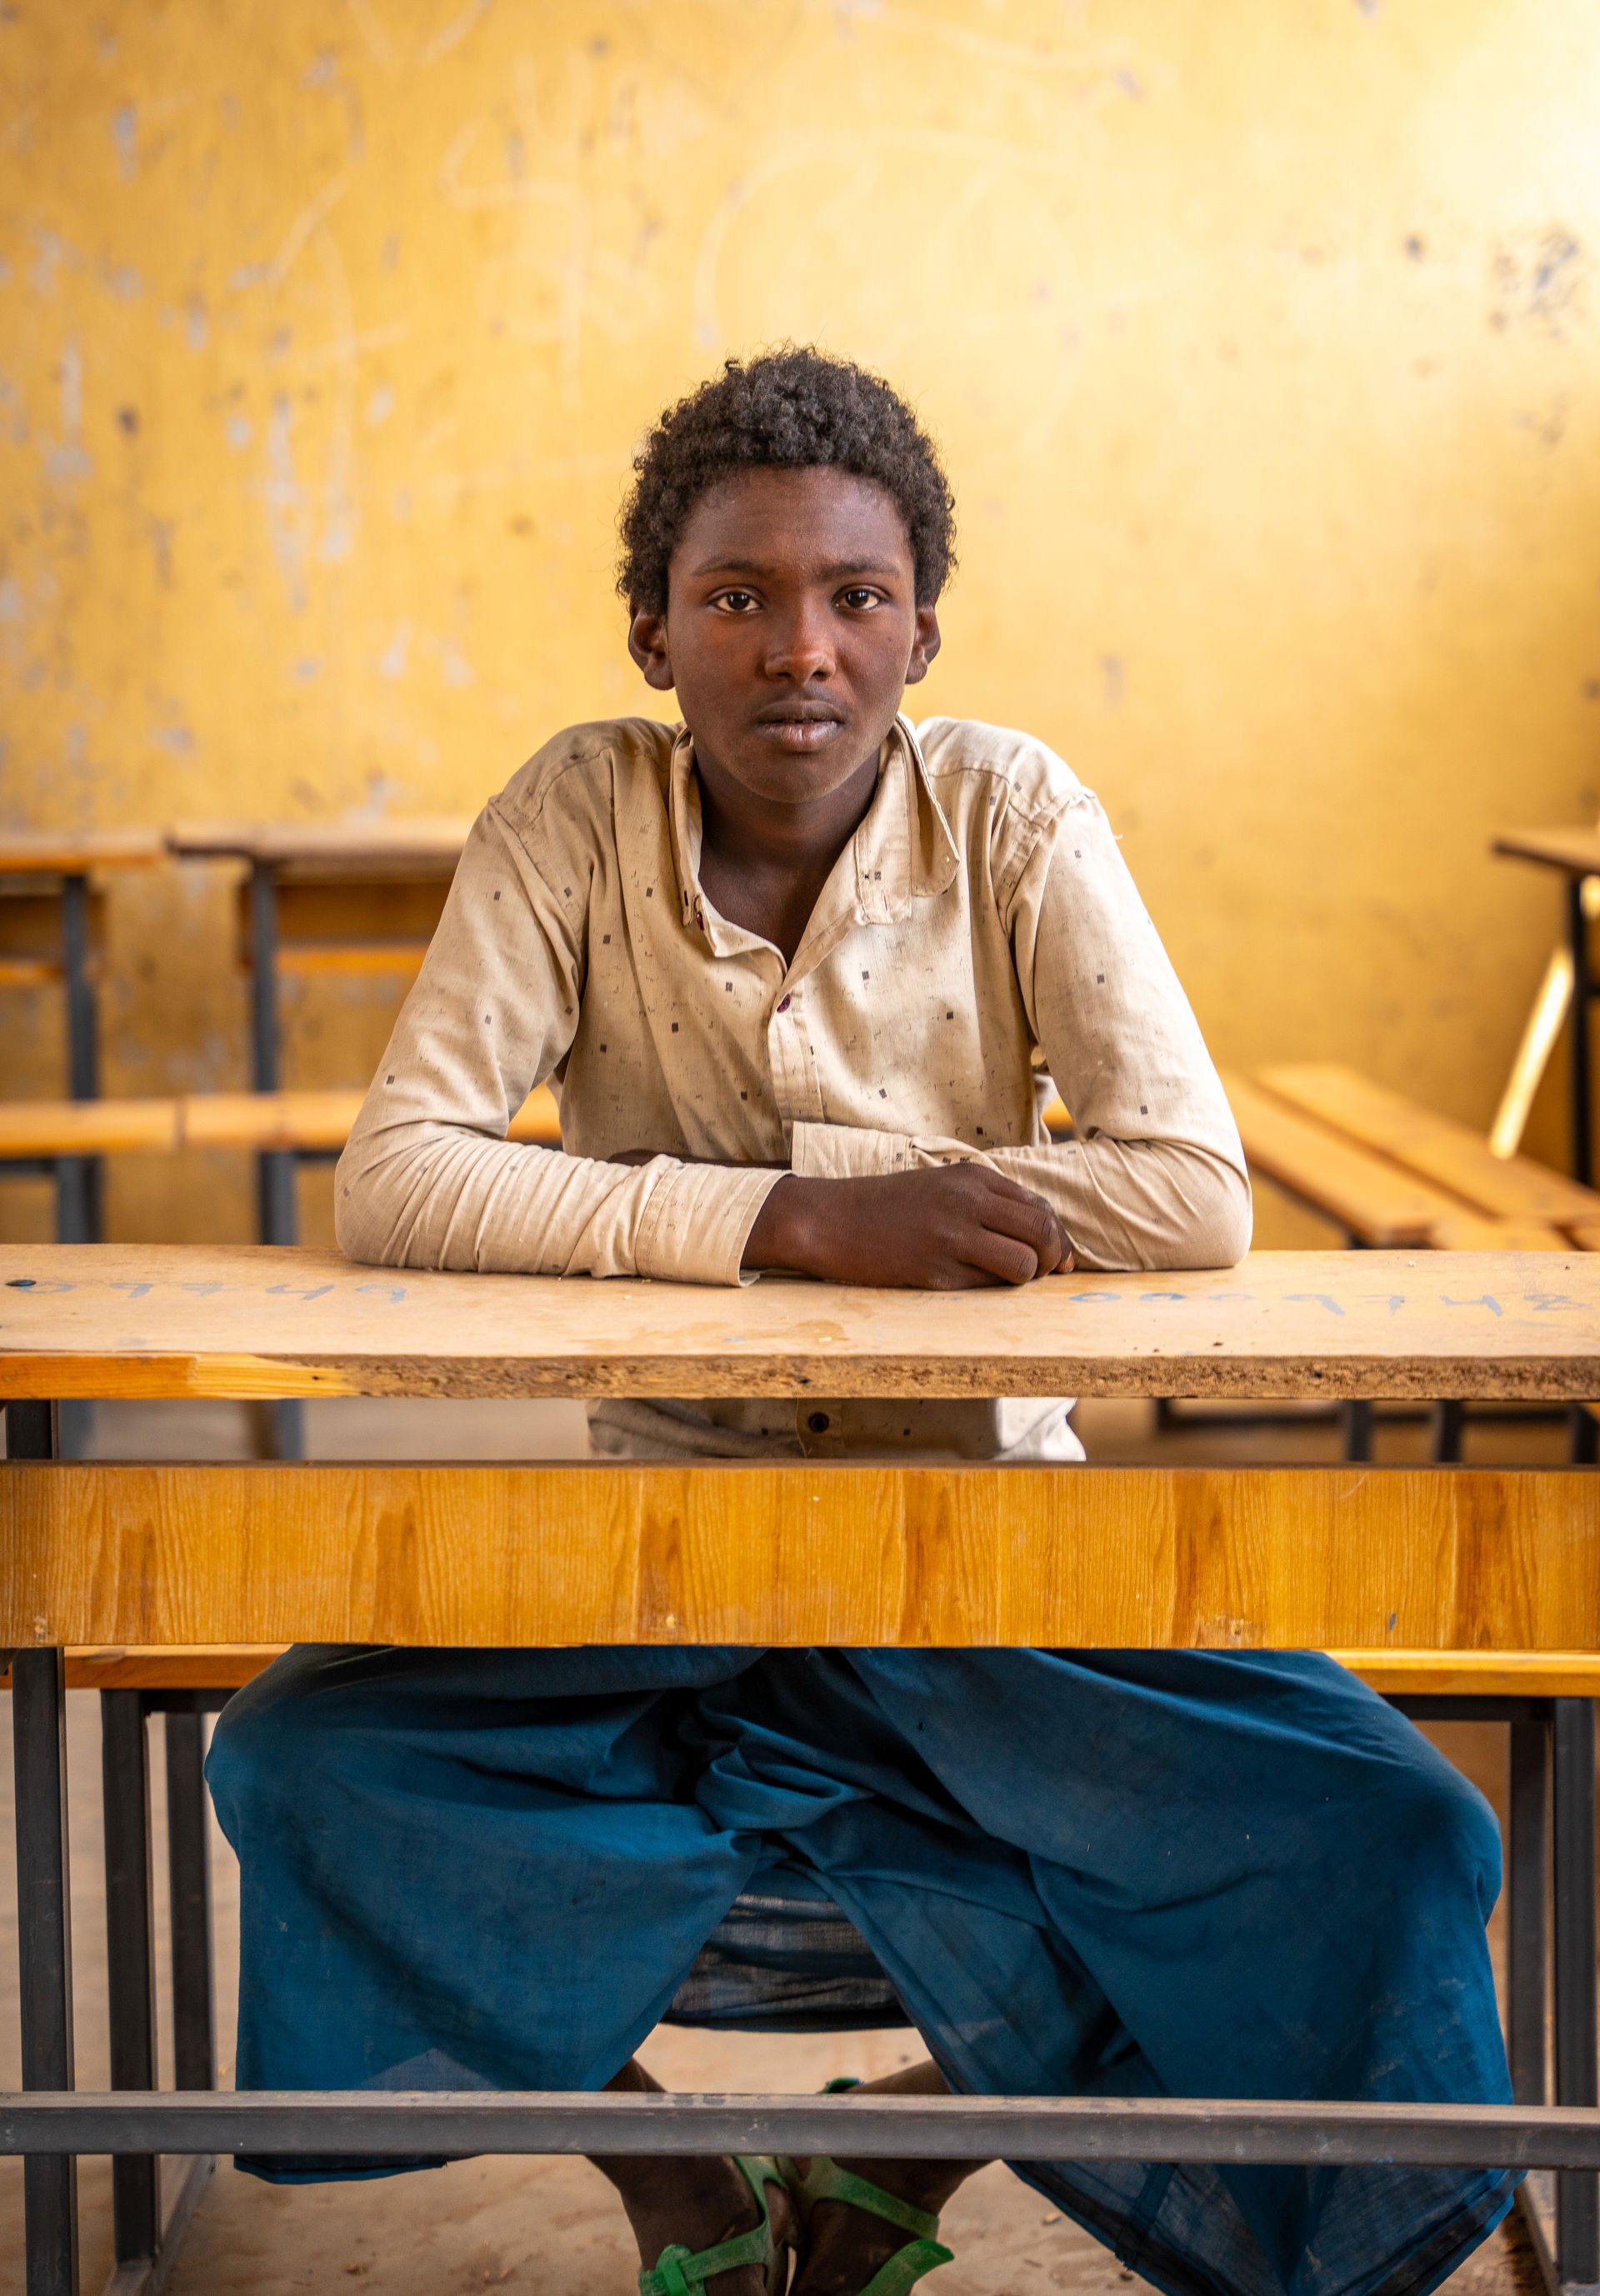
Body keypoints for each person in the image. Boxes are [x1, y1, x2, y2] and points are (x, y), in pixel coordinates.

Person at [208, 347, 1515, 2296]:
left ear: (923, 630)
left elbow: (1189, 1186)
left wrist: (928, 1215)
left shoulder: (1012, 811)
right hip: (655, 1560)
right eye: (735, 596)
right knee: (302, 1760)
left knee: (1395, 1829)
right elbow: (401, 1175)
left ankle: (917, 2133)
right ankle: (670, 2179)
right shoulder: (573, 814)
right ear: (651, 633)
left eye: (855, 598)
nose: (797, 648)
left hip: (992, 1557)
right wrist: (808, 1217)